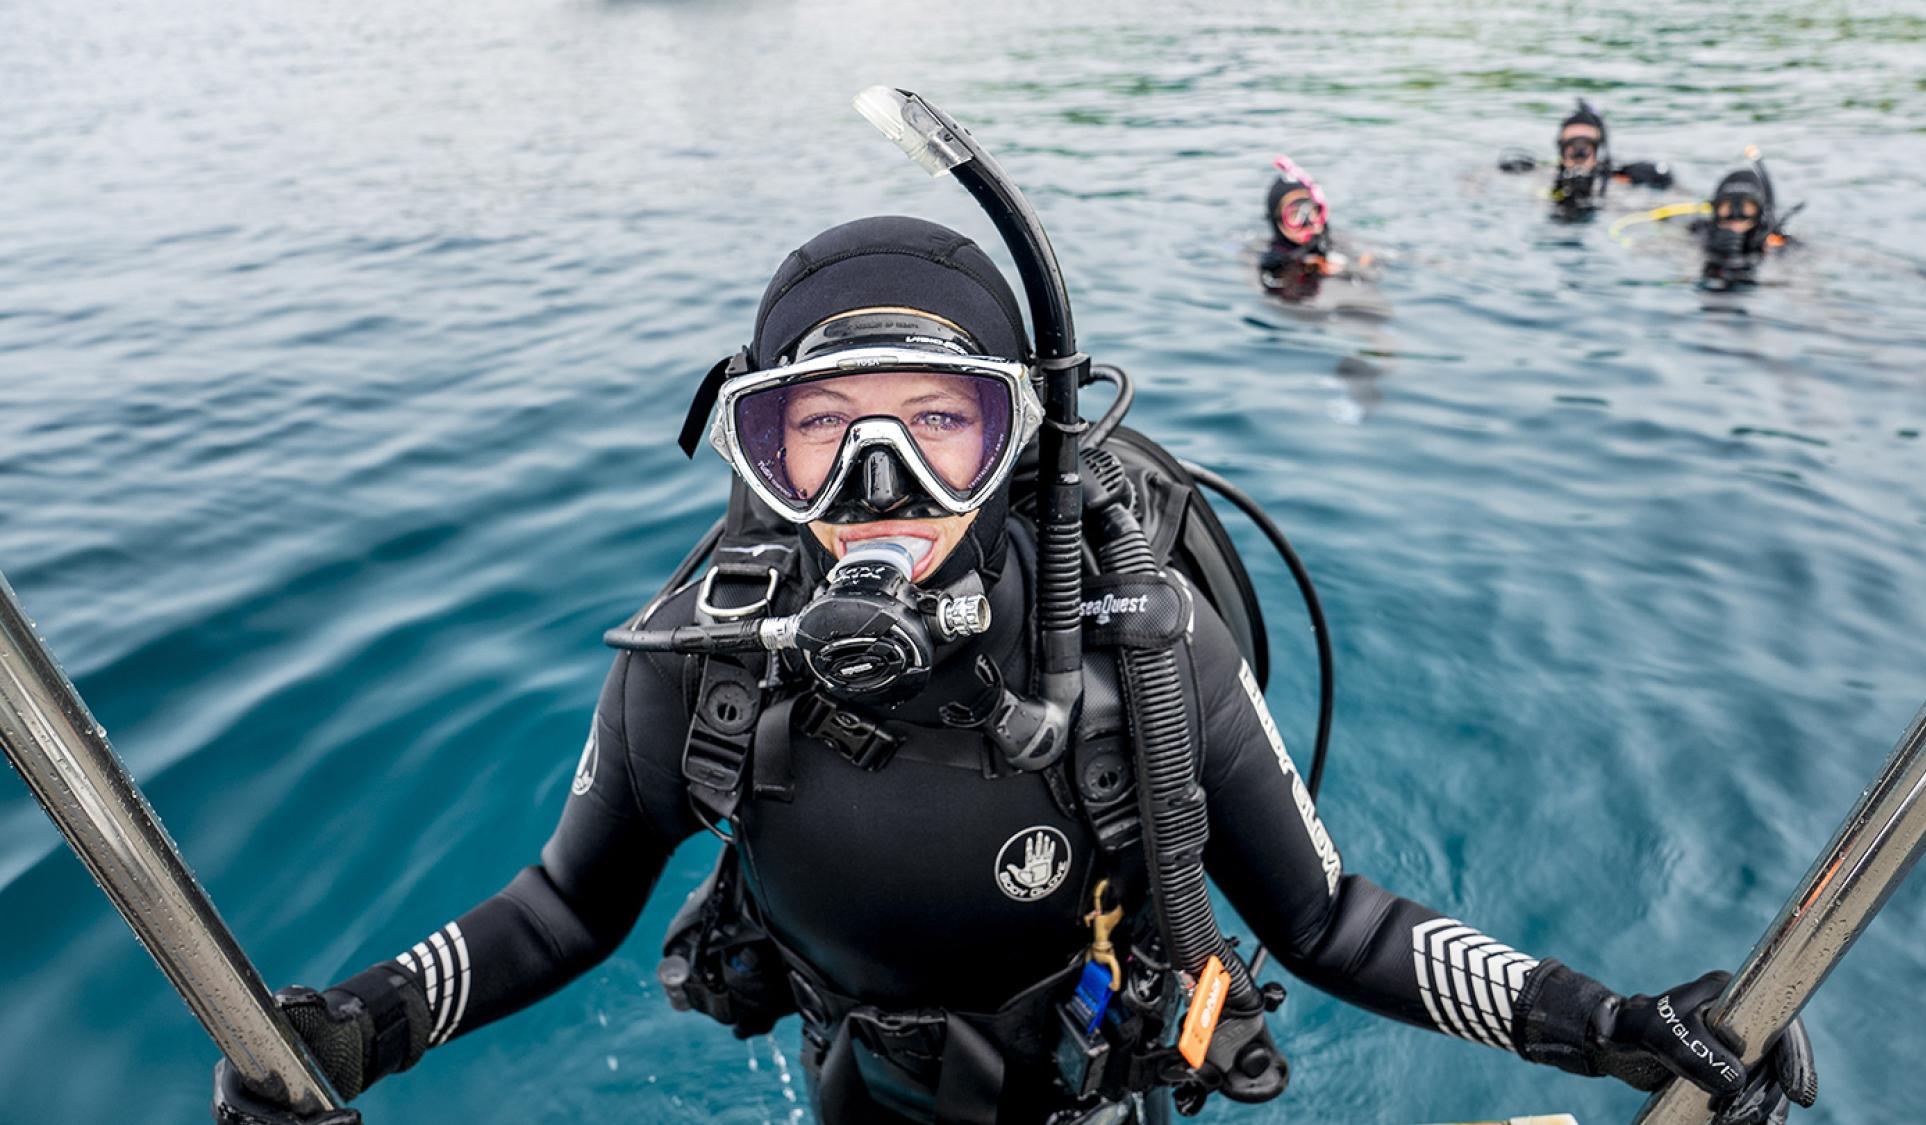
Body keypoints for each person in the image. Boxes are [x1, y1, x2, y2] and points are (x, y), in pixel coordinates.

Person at [213, 104, 1818, 1125]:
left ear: (1021, 439)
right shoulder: (701, 654)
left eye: (944, 424)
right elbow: (563, 912)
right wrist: (365, 1022)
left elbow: (1332, 923)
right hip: (853, 1059)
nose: (884, 478)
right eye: (823, 431)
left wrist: (1601, 1021)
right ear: (756, 450)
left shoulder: (1137, 645)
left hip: (1093, 1069)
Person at [1500, 100, 1675, 214]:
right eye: (1571, 144)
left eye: (1586, 145)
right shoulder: (1541, 175)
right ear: (1560, 147)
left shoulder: (1617, 180)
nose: (1578, 152)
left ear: (1597, 149)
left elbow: (1668, 203)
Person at [1256, 155, 1379, 300]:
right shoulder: (1266, 260)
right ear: (1276, 221)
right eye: (1295, 214)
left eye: (1311, 210)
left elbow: (1371, 258)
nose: (1307, 222)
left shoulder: (1332, 241)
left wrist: (1356, 268)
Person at [1692, 157, 1798, 287]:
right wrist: (1713, 258)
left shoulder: (1777, 243)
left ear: (1760, 213)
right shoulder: (1699, 233)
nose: (1736, 218)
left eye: (1746, 208)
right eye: (1727, 207)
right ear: (1715, 210)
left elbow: (1796, 283)